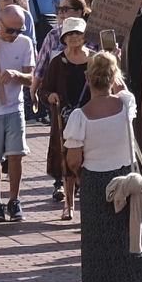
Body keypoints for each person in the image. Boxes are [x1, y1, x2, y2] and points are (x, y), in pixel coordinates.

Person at [65, 44, 142, 282]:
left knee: (97, 245)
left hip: (96, 181)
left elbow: (73, 159)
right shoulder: (125, 103)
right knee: (137, 236)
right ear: (113, 77)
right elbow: (123, 90)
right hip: (126, 177)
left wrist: (80, 173)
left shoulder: (79, 116)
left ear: (87, 79)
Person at [0, 1, 40, 227]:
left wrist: (16, 74)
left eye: (19, 29)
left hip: (14, 107)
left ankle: (14, 199)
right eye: (10, 30)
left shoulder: (25, 43)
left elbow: (32, 78)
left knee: (16, 155)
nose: (15, 34)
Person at [38, 15, 95, 220]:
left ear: (84, 36)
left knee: (90, 159)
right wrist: (50, 96)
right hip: (65, 117)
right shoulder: (57, 62)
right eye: (69, 34)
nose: (73, 37)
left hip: (91, 116)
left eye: (77, 33)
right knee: (67, 161)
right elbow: (44, 90)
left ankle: (89, 203)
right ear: (63, 38)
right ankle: (68, 205)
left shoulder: (95, 59)